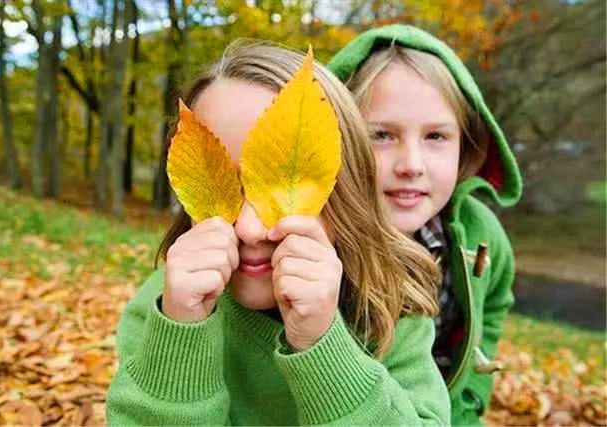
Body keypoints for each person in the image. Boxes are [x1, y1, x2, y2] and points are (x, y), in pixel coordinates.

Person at [105, 40, 451, 426]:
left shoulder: (391, 310)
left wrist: (323, 348)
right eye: (224, 188)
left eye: (280, 187)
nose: (251, 229)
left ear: (349, 192)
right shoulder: (163, 310)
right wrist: (180, 339)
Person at [328, 24, 523, 425]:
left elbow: (491, 315)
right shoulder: (316, 238)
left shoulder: (482, 234)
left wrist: (467, 408)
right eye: (381, 135)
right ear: (337, 138)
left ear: (467, 146)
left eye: (436, 137)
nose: (411, 165)